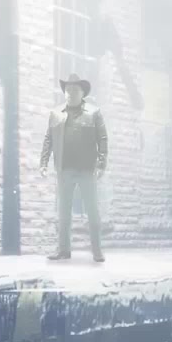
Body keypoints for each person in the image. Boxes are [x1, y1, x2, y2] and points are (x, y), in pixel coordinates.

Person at [39, 75, 108, 262]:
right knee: (63, 211)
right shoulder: (56, 113)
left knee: (92, 211)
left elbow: (102, 139)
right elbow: (48, 139)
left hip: (87, 170)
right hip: (65, 170)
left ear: (82, 93)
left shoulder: (94, 113)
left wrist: (101, 164)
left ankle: (97, 251)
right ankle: (63, 250)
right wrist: (43, 163)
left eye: (75, 90)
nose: (70, 93)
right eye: (67, 90)